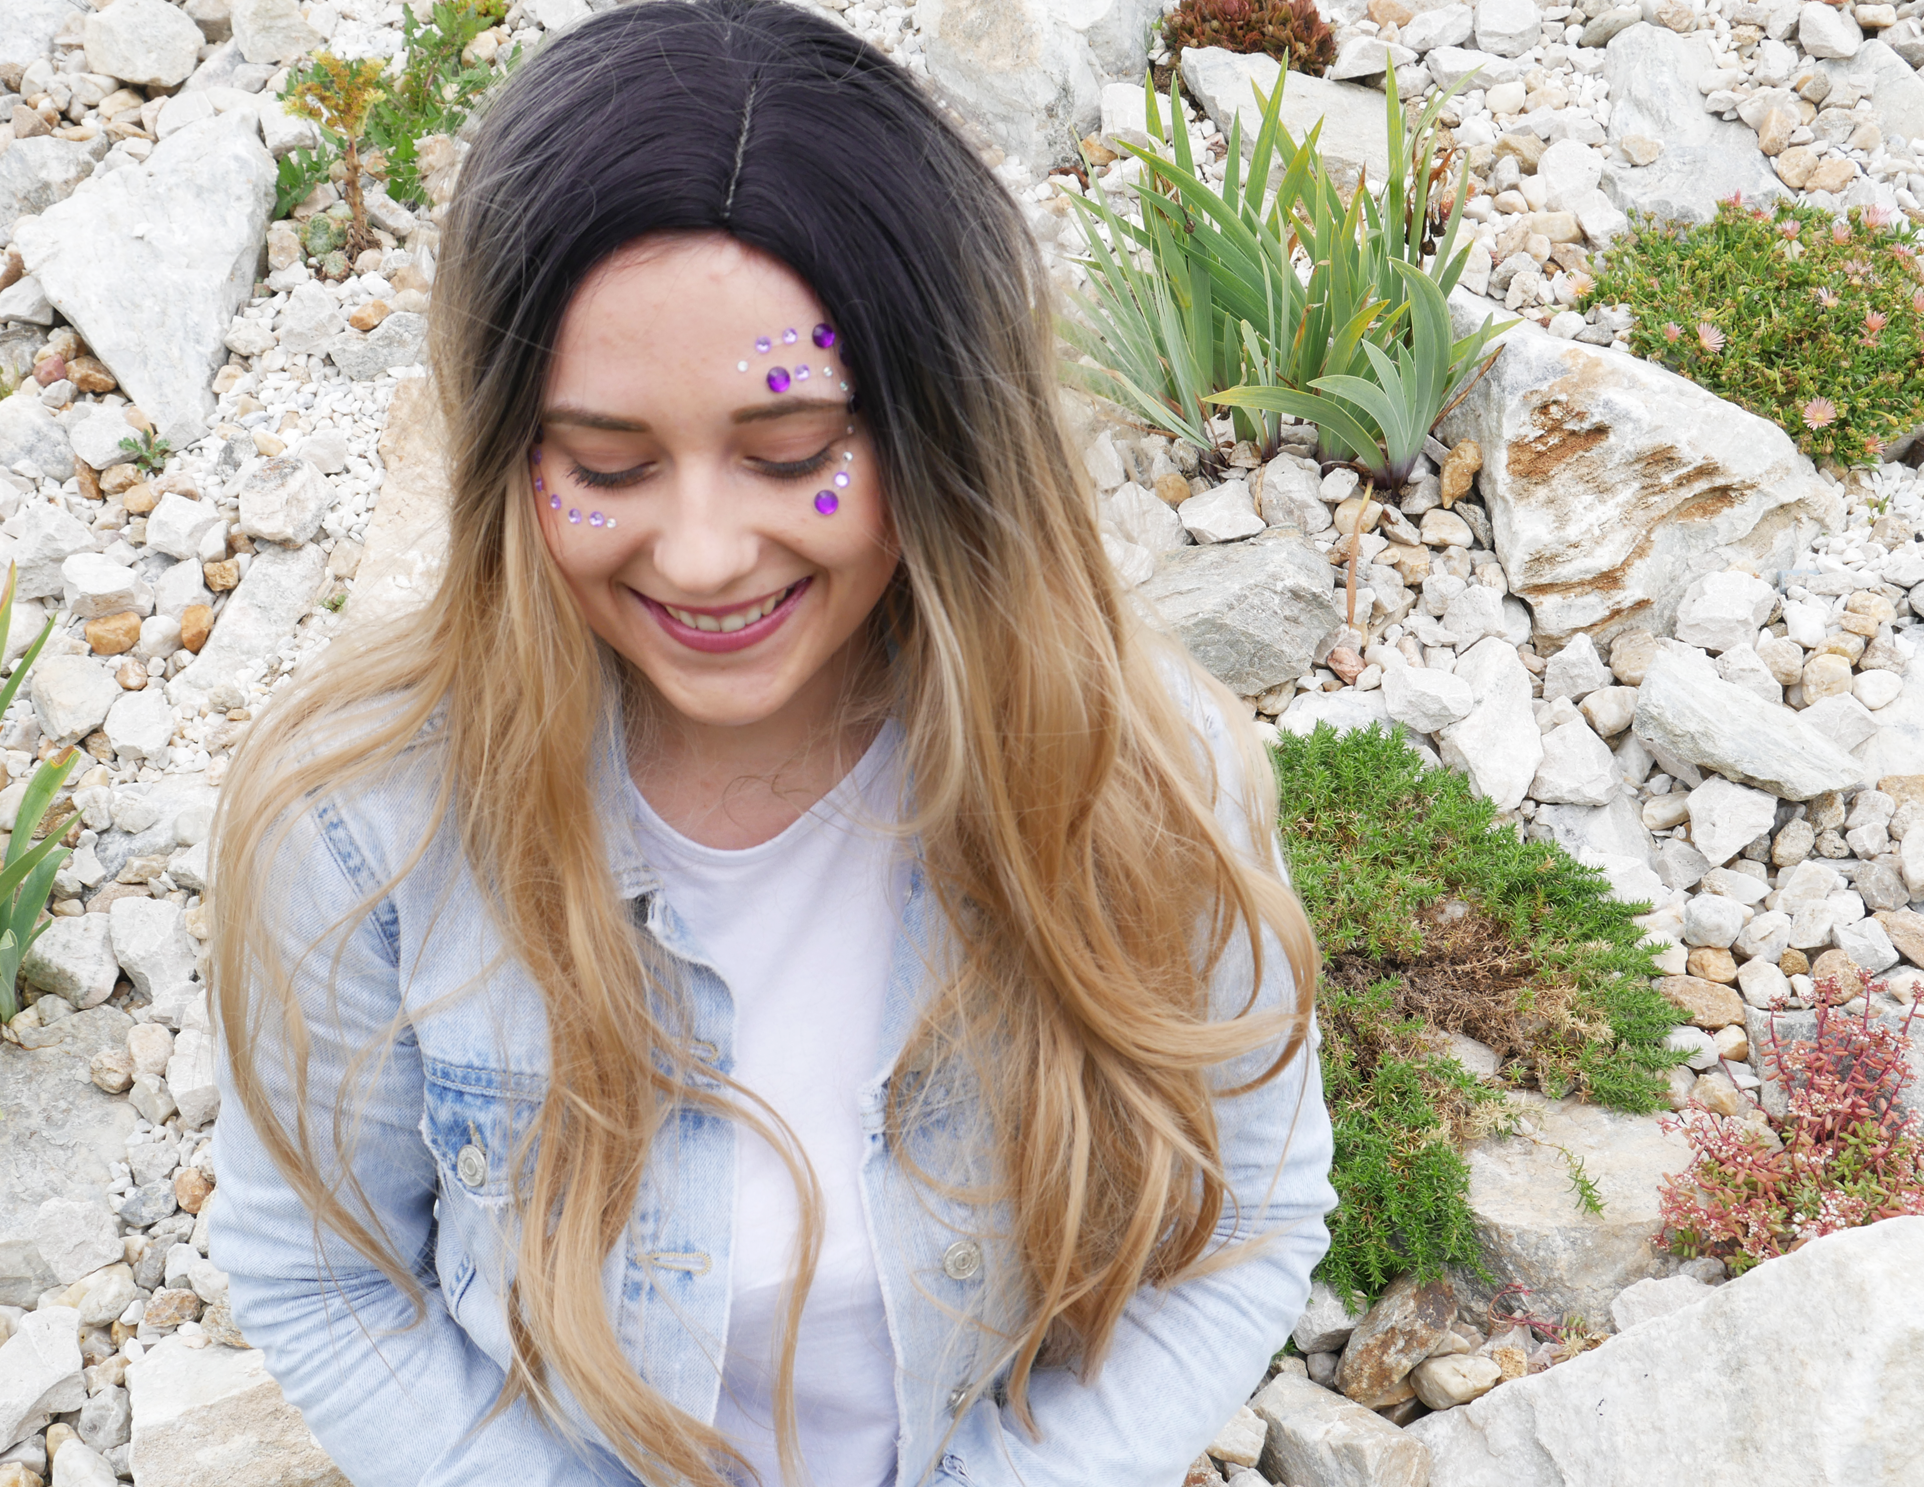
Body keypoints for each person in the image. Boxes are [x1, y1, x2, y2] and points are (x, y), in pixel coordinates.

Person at [206, 3, 1335, 1484]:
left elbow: (1248, 1220)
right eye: (606, 464)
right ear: (506, 459)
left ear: (943, 432)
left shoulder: (1134, 764)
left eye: (793, 454)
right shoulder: (358, 823)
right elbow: (324, 1280)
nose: (700, 555)